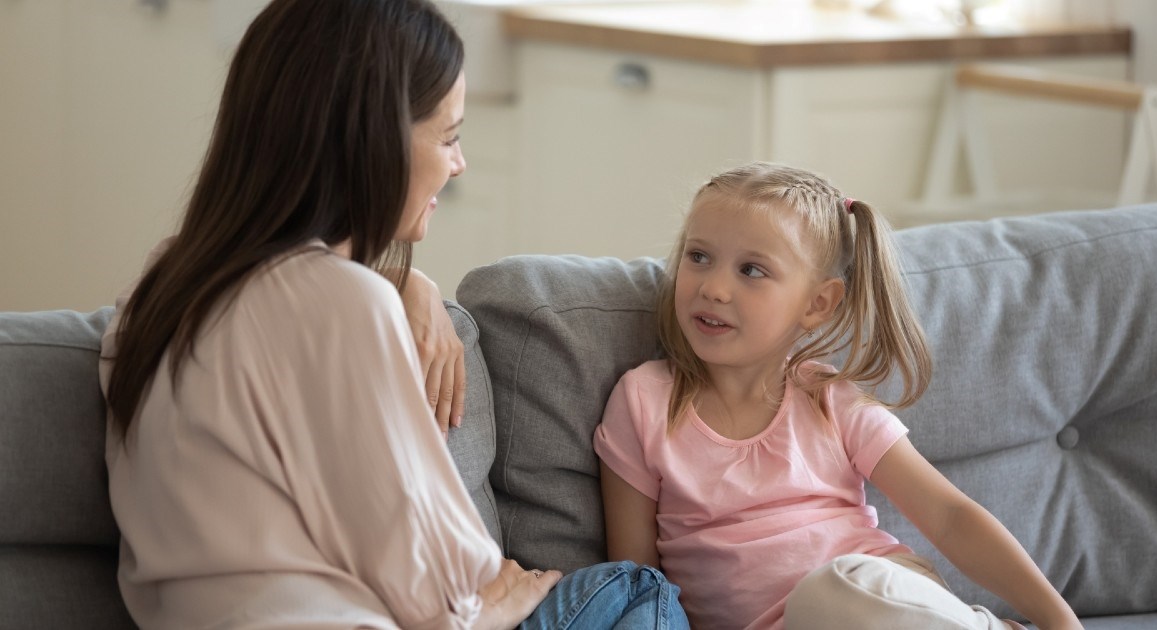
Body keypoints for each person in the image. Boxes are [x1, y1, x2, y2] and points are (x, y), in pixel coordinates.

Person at [99, 0, 688, 628]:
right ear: (374, 142)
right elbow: (442, 581)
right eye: (449, 137)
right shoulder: (342, 304)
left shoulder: (160, 289)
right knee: (638, 590)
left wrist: (403, 280)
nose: (458, 164)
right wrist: (482, 604)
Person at [594, 162, 1083, 630]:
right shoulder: (642, 402)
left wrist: (1059, 619)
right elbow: (637, 585)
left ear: (817, 304)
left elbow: (950, 518)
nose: (714, 288)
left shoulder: (829, 399)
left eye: (752, 270)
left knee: (829, 593)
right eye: (698, 257)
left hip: (875, 600)